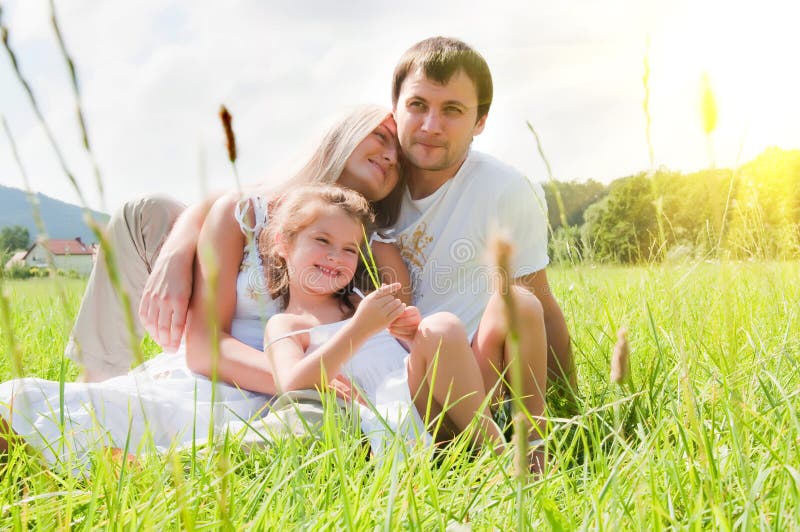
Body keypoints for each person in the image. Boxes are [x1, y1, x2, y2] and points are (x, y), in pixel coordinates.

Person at [0, 105, 407, 463]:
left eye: (399, 155)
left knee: (288, 431)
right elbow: (206, 345)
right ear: (340, 134)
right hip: (233, 374)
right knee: (48, 409)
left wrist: (314, 379)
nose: (391, 155)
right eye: (380, 136)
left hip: (313, 393)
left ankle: (131, 466)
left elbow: (392, 343)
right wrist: (299, 375)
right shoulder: (245, 212)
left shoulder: (375, 250)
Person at [388, 37, 575, 454]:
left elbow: (540, 302)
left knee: (520, 302)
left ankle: (532, 447)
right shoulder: (371, 182)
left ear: (480, 121)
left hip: (476, 382)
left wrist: (574, 405)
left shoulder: (505, 189)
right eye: (418, 105)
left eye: (452, 110)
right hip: (392, 386)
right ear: (395, 109)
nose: (431, 126)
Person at [260, 185, 504, 455]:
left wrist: (410, 337)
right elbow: (291, 384)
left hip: (424, 401)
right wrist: (360, 328)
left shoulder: (360, 301)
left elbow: (397, 359)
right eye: (322, 240)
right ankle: (501, 457)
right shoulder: (286, 324)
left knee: (440, 326)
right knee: (440, 327)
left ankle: (493, 447)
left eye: (350, 249)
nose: (335, 256)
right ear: (283, 243)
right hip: (379, 421)